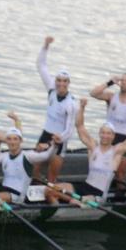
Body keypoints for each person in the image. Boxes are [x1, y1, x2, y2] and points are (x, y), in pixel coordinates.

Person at [32, 36, 81, 187]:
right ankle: (34, 188)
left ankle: (50, 189)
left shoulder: (71, 104)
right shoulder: (51, 89)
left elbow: (70, 129)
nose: (61, 84)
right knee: (34, 170)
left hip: (59, 138)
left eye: (64, 81)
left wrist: (56, 141)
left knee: (52, 176)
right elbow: (41, 65)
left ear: (68, 83)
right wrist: (45, 46)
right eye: (59, 80)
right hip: (46, 133)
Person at [72, 107, 126, 201]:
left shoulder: (116, 151)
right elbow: (80, 126)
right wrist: (82, 107)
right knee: (55, 190)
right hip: (85, 187)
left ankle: (76, 202)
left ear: (113, 136)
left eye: (108, 133)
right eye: (103, 133)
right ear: (99, 134)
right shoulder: (93, 147)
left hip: (99, 194)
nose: (105, 136)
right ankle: (63, 204)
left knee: (77, 200)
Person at [0, 126, 56, 206]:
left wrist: (55, 145)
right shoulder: (3, 156)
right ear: (6, 141)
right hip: (4, 190)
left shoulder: (28, 156)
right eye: (9, 139)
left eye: (15, 139)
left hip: (18, 196)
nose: (12, 142)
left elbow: (47, 156)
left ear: (20, 141)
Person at [90, 69, 126, 188]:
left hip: (125, 139)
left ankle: (119, 195)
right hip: (109, 137)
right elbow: (93, 93)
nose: (124, 82)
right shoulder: (111, 97)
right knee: (104, 170)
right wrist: (110, 82)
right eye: (122, 80)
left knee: (121, 174)